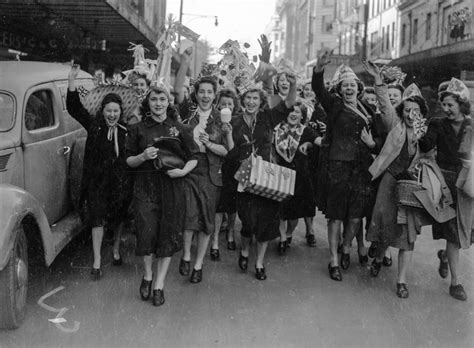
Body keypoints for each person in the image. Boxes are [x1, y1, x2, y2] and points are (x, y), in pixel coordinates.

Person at [125, 86, 199, 306]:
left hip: (172, 189)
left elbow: (194, 156)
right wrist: (142, 156)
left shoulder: (180, 128)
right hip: (145, 190)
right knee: (146, 236)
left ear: (169, 102)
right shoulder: (137, 129)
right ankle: (148, 274)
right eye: (154, 99)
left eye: (162, 99)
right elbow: (128, 162)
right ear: (148, 102)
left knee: (166, 237)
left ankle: (159, 284)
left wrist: (183, 171)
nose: (158, 103)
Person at [363, 61, 431, 298]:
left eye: (416, 111)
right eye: (407, 109)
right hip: (389, 182)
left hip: (410, 188)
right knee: (385, 226)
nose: (411, 114)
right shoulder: (395, 125)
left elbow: (432, 159)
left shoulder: (424, 135)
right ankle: (379, 257)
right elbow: (384, 102)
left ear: (421, 113)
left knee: (407, 235)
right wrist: (379, 81)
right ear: (402, 111)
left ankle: (401, 281)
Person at [311, 50, 375, 281]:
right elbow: (318, 89)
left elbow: (377, 136)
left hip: (360, 169)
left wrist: (372, 143)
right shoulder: (335, 105)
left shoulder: (367, 109)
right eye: (345, 86)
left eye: (353, 86)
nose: (349, 89)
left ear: (359, 88)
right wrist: (319, 69)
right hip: (337, 167)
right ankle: (334, 260)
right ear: (339, 88)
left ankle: (346, 247)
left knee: (356, 218)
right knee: (336, 216)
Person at [67, 64, 132, 280]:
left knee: (119, 216)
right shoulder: (94, 126)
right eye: (108, 110)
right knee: (97, 218)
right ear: (102, 111)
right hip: (97, 182)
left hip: (120, 182)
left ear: (121, 112)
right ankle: (96, 261)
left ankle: (115, 249)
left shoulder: (126, 131)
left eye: (116, 110)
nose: (112, 114)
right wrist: (71, 82)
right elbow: (74, 108)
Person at [232, 75, 297, 280]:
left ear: (261, 101)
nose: (251, 101)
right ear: (243, 100)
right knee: (248, 222)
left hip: (266, 176)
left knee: (266, 222)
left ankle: (259, 262)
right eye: (248, 98)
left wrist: (293, 85)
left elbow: (288, 103)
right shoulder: (234, 121)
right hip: (243, 176)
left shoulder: (267, 117)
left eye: (255, 98)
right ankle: (244, 250)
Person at [419, 78, 473, 301]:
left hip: (469, 183)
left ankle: (444, 257)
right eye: (444, 105)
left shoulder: (472, 124)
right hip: (447, 183)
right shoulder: (437, 124)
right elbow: (426, 145)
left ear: (462, 104)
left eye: (451, 105)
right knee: (453, 234)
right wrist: (421, 131)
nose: (447, 109)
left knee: (466, 234)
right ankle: (455, 282)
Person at [178, 77, 233, 283]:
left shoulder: (222, 119)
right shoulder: (188, 115)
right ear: (196, 93)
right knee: (189, 216)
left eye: (210, 92)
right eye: (202, 91)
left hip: (211, 174)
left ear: (215, 95)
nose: (205, 96)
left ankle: (198, 264)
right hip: (190, 170)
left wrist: (209, 143)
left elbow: (227, 150)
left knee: (207, 221)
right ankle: (185, 256)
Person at [275, 100, 318, 254]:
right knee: (280, 210)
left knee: (293, 214)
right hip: (280, 174)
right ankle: (282, 238)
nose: (293, 114)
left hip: (299, 177)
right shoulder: (277, 130)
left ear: (302, 116)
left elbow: (318, 141)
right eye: (291, 111)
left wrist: (310, 144)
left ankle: (288, 234)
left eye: (297, 112)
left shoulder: (306, 131)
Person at [211, 88, 241, 257]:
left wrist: (228, 133)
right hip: (217, 165)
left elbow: (233, 150)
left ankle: (230, 231)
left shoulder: (238, 123)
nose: (226, 106)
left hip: (233, 166)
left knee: (232, 205)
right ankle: (215, 239)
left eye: (230, 104)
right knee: (219, 206)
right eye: (223, 104)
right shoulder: (213, 121)